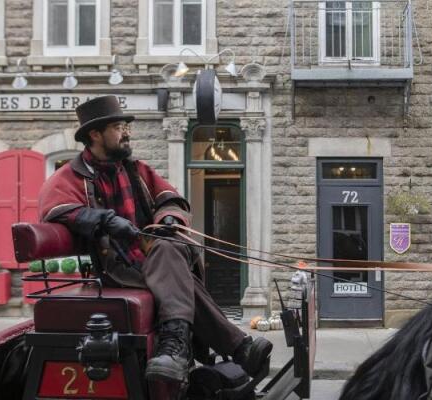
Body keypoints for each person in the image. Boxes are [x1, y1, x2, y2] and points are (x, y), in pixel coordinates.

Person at [38, 95, 272, 383]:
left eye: (126, 126)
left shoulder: (135, 169)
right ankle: (227, 346)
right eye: (118, 126)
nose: (126, 132)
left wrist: (168, 221)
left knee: (168, 246)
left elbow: (170, 198)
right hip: (114, 266)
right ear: (95, 134)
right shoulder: (70, 176)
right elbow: (56, 211)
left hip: (151, 257)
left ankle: (189, 350)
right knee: (170, 255)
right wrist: (107, 221)